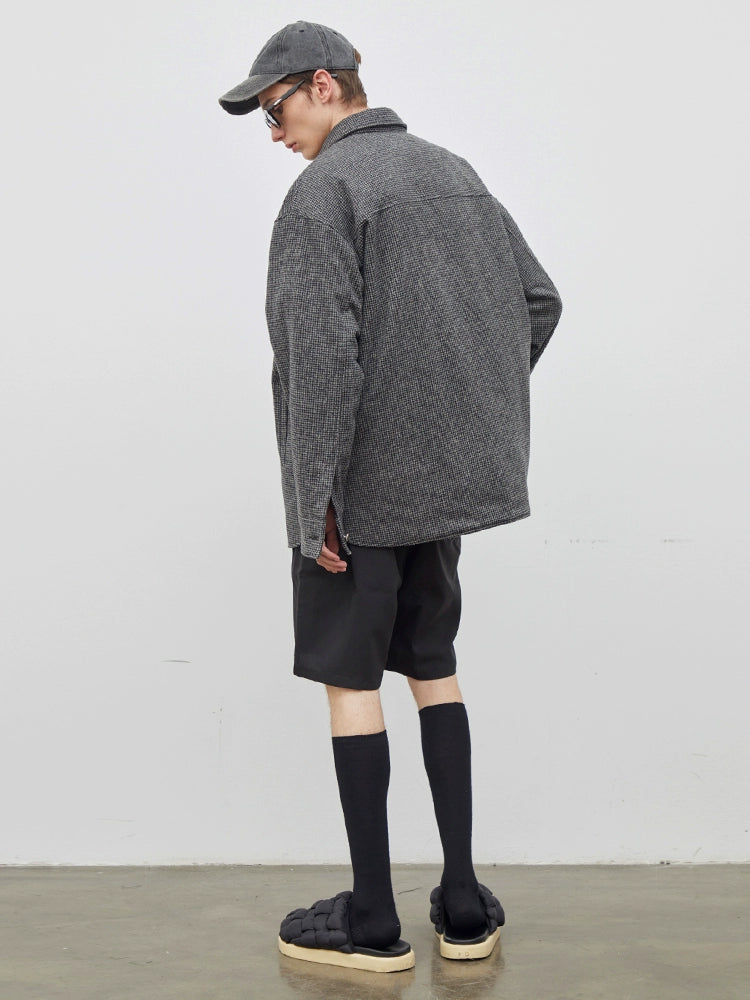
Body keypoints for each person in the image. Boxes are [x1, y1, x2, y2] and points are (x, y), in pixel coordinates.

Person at [219, 20, 562, 974]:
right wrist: (463, 413)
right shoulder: (454, 173)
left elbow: (322, 357)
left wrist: (316, 498)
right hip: (439, 491)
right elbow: (537, 302)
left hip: (358, 496)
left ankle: (373, 921)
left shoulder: (324, 194)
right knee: (433, 666)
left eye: (275, 109)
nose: (274, 133)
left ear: (324, 85)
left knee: (352, 682)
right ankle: (464, 905)